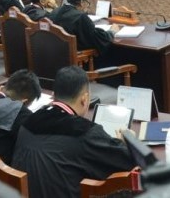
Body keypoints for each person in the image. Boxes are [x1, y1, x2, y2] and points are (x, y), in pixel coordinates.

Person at [11, 66, 136, 198]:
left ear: (54, 95)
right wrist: (129, 142)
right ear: (84, 99)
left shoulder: (27, 122)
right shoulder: (84, 132)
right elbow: (128, 164)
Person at [50, 0, 121, 53]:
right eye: (88, 2)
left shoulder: (54, 12)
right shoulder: (80, 17)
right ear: (82, 1)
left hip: (55, 58)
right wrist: (112, 31)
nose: (88, 6)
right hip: (78, 61)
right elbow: (97, 39)